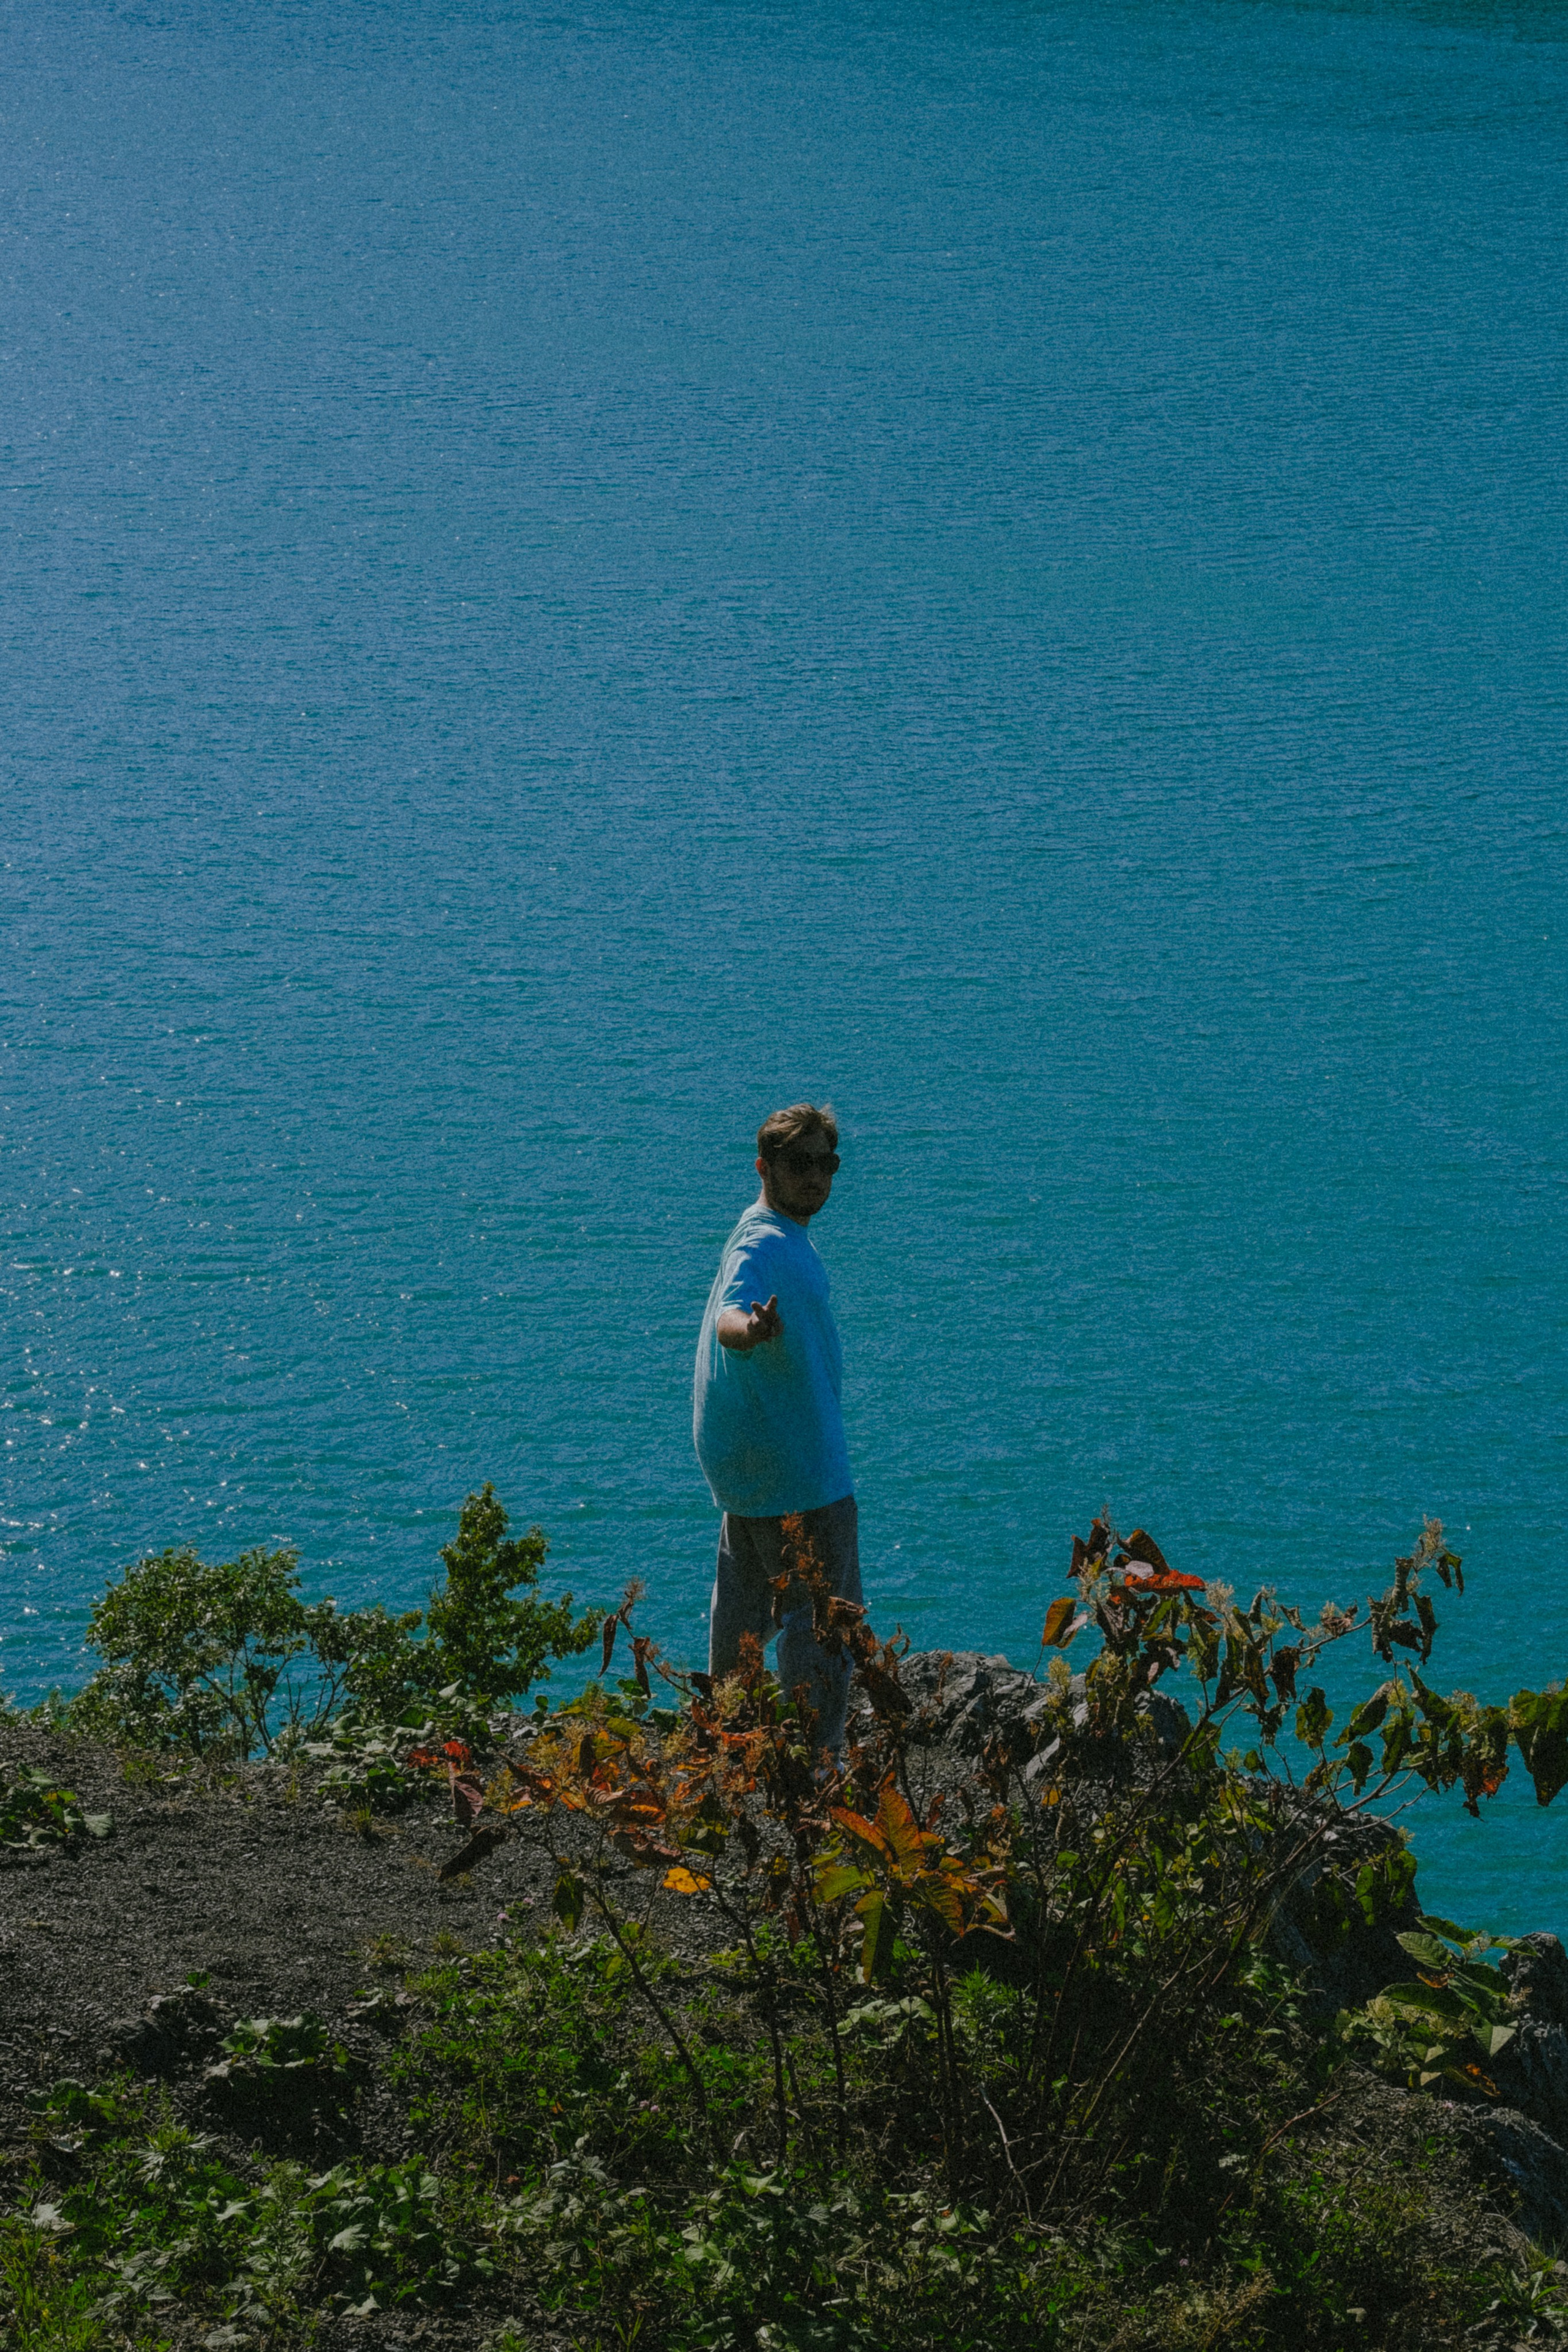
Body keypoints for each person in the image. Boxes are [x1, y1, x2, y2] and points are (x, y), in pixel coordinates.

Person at [693, 1102, 861, 1755]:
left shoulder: (764, 1230)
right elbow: (730, 1316)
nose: (816, 1177)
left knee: (741, 1612)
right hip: (799, 1467)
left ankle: (724, 1743)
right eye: (799, 1165)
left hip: (749, 1464)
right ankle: (815, 1764)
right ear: (764, 1167)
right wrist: (751, 1331)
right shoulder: (764, 1242)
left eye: (827, 1164)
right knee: (823, 1617)